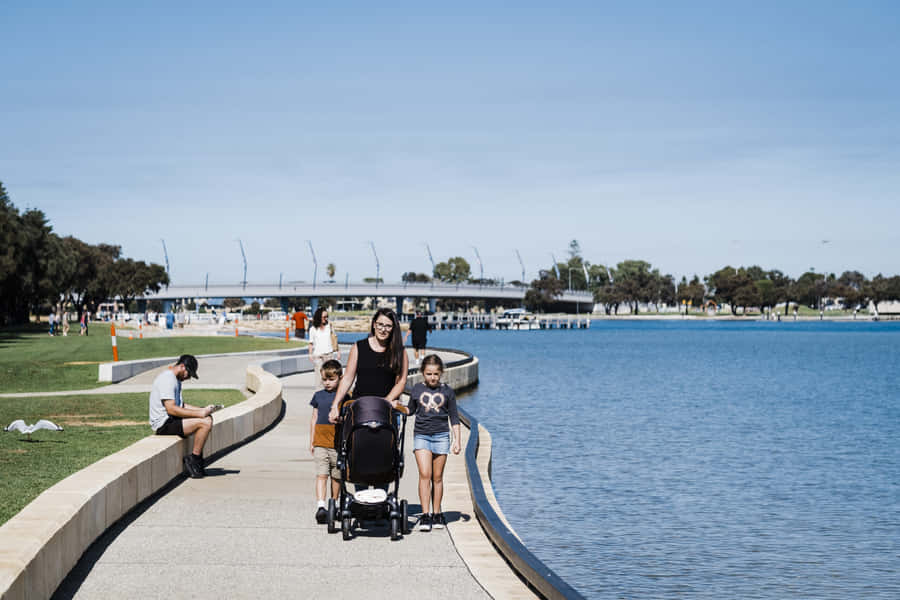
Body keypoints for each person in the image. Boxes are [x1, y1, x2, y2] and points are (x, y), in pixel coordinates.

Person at [408, 354, 460, 531]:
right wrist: (395, 406)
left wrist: (457, 440)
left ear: (441, 374)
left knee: (437, 477)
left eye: (436, 374)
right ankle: (425, 515)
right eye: (429, 374)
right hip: (421, 435)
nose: (432, 378)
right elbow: (410, 410)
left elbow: (454, 417)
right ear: (423, 372)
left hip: (441, 436)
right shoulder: (416, 389)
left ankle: (437, 514)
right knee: (425, 474)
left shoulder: (447, 391)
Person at [329, 308, 408, 421]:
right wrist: (335, 405)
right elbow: (347, 378)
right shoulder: (358, 347)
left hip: (386, 409)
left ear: (393, 328)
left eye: (388, 326)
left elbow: (402, 381)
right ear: (374, 324)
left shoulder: (400, 352)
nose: (383, 329)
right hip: (360, 407)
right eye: (380, 324)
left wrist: (386, 400)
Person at [148, 354, 215, 478]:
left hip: (172, 420)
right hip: (164, 424)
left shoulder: (175, 379)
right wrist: (200, 414)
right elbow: (172, 409)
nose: (189, 377)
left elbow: (181, 405)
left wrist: (203, 410)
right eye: (188, 374)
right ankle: (194, 459)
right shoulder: (168, 379)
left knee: (207, 418)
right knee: (205, 422)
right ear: (182, 366)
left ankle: (197, 459)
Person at [309, 359, 343, 523]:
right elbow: (314, 418)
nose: (327, 383)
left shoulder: (344, 397)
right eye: (324, 379)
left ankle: (334, 504)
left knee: (336, 476)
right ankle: (321, 506)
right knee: (321, 475)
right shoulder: (318, 396)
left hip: (337, 444)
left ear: (340, 378)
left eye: (331, 379)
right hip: (321, 442)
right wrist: (312, 441)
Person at [309, 307, 341, 389]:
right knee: (319, 377)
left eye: (327, 316)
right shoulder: (312, 329)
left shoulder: (329, 326)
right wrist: (310, 354)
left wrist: (338, 351)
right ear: (318, 317)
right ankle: (319, 394)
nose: (326, 319)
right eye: (324, 317)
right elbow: (311, 343)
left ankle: (331, 393)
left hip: (329, 354)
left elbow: (335, 339)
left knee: (330, 376)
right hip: (317, 355)